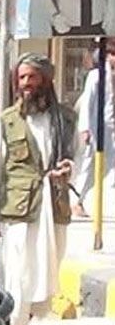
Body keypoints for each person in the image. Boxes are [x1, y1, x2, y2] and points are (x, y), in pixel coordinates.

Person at [0, 53, 78, 325]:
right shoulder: (8, 120)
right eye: (20, 78)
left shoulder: (65, 118)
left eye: (31, 77)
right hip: (19, 208)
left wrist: (68, 168)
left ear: (46, 80)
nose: (25, 84)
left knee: (47, 272)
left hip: (54, 205)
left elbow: (74, 156)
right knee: (20, 273)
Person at [74, 43, 114, 217]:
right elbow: (87, 104)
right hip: (96, 128)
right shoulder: (96, 76)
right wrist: (85, 128)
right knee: (89, 166)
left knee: (111, 166)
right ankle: (77, 200)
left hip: (111, 129)